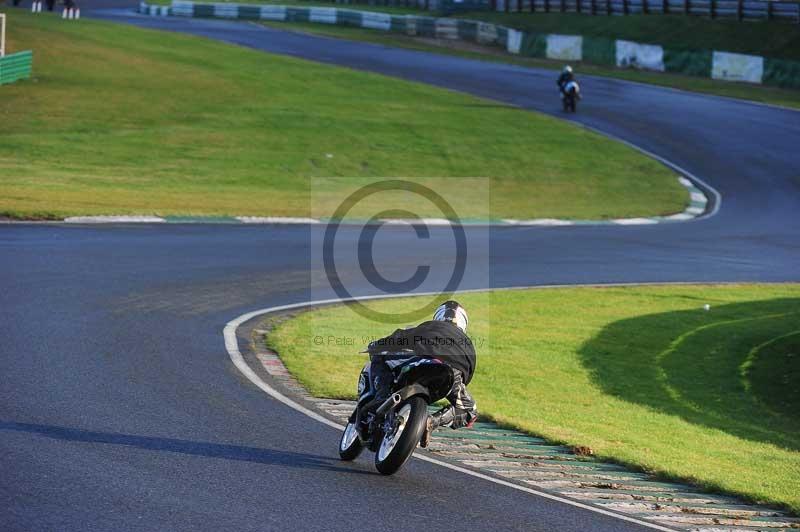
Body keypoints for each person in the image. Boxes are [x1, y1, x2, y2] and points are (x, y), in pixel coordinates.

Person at [366, 300, 478, 448]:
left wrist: (377, 345)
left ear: (438, 316)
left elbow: (401, 336)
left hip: (422, 360)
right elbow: (466, 375)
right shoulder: (468, 344)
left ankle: (382, 396)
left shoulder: (432, 326)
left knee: (380, 356)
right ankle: (433, 421)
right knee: (471, 411)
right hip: (450, 374)